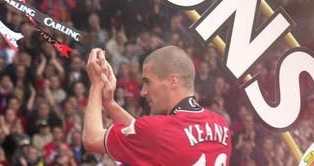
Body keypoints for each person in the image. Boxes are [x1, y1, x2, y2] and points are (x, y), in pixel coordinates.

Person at [82, 46, 231, 165]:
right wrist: (110, 104)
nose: (143, 92)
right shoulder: (221, 124)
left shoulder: (160, 131)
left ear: (173, 81)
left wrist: (96, 84)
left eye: (147, 82)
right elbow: (145, 136)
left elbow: (91, 139)